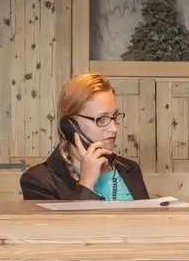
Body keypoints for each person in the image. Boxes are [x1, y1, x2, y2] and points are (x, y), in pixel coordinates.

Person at [20, 73, 150, 201]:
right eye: (101, 119)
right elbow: (69, 217)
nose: (114, 128)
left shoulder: (129, 168)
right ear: (70, 125)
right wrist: (86, 183)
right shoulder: (38, 181)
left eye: (115, 117)